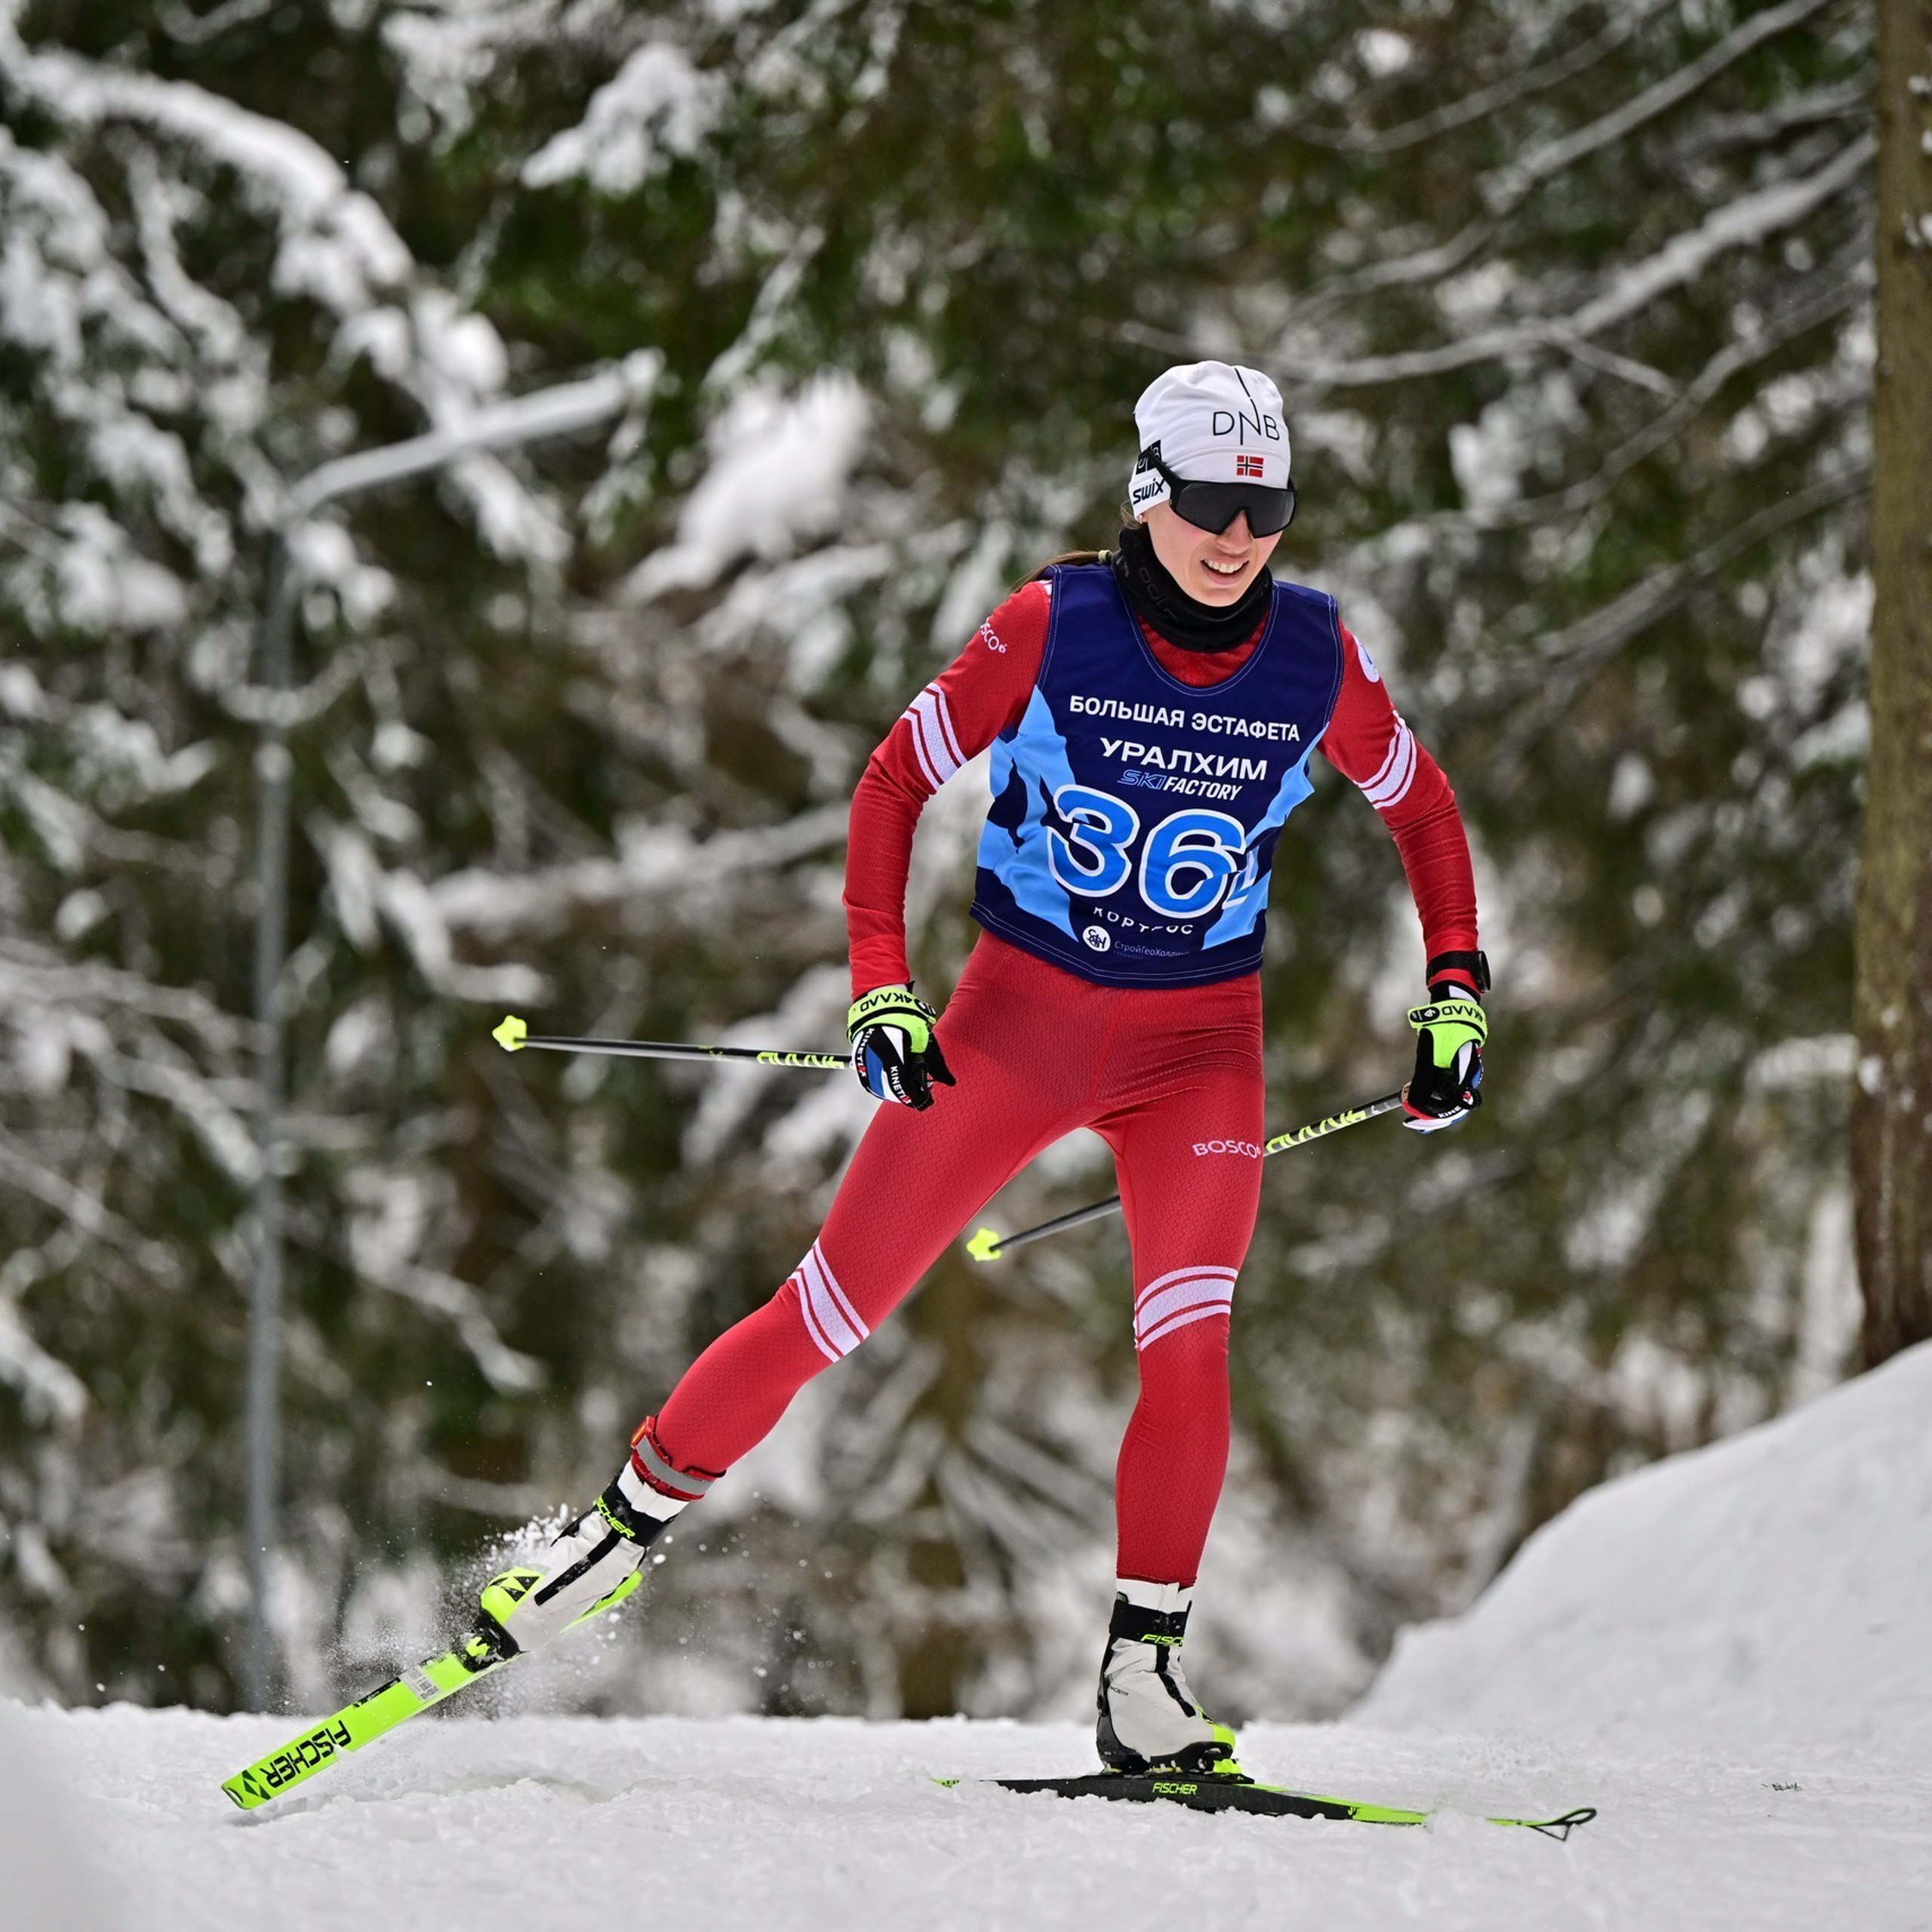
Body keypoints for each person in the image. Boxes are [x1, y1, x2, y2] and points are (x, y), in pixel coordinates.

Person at [473, 361, 1487, 1776]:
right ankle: (607, 1536)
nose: (1237, 536)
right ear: (1149, 492)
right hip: (1019, 1023)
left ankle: (1143, 1681)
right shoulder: (1052, 626)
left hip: (1201, 1046)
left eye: (1268, 507)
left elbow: (1423, 808)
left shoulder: (1317, 653)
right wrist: (883, 986)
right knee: (828, 1310)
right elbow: (893, 784)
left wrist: (1456, 991)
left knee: (1190, 1340)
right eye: (1208, 501)